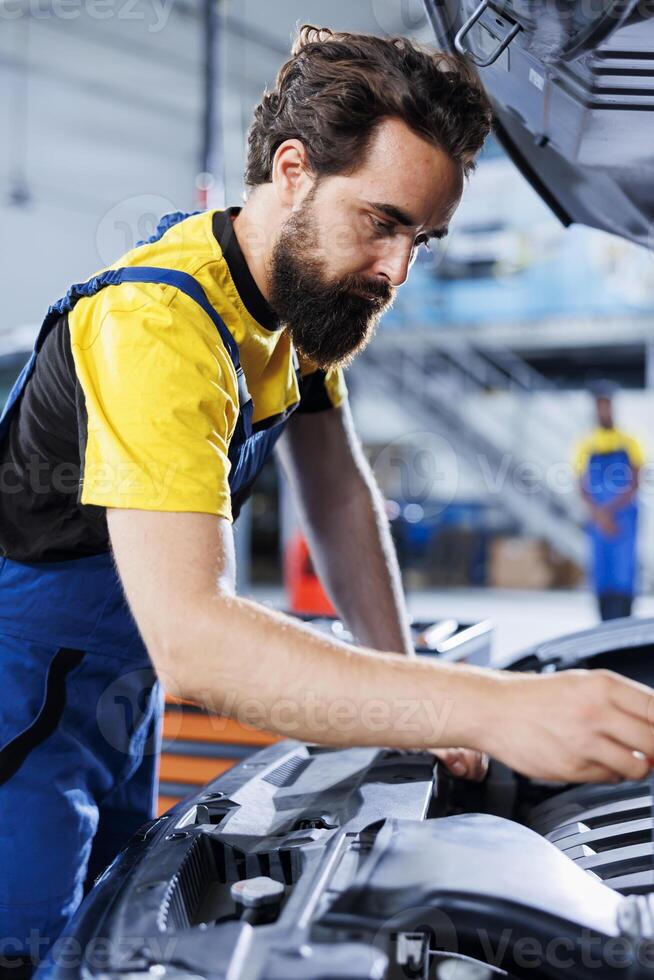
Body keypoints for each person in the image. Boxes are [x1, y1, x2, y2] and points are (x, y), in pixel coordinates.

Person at [2, 26, 654, 972]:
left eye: (420, 240)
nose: (396, 271)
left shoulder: (291, 315)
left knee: (108, 939)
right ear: (294, 169)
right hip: (23, 700)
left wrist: (413, 696)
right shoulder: (157, 327)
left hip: (110, 689)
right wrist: (486, 709)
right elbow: (196, 642)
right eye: (381, 222)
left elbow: (341, 499)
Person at [575, 383, 645, 620]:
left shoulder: (628, 441)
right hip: (599, 520)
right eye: (599, 406)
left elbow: (636, 480)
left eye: (607, 406)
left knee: (624, 572)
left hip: (624, 519)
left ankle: (623, 621)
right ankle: (604, 623)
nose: (603, 411)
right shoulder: (586, 444)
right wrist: (599, 514)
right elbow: (582, 485)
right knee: (602, 572)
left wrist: (611, 511)